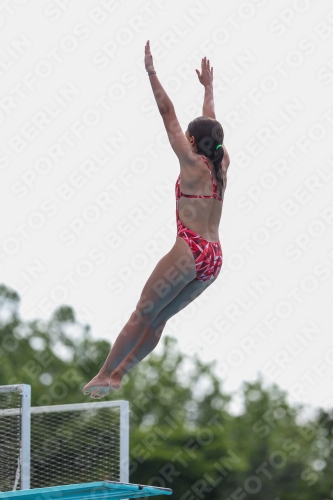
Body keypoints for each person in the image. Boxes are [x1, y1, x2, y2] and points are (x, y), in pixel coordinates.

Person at [83, 40, 230, 399]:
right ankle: (119, 374)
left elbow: (168, 114)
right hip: (214, 259)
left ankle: (104, 373)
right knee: (158, 319)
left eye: (190, 137)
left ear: (193, 141)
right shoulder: (222, 163)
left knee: (141, 313)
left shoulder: (193, 164)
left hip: (190, 249)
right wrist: (209, 90)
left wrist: (151, 72)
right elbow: (213, 126)